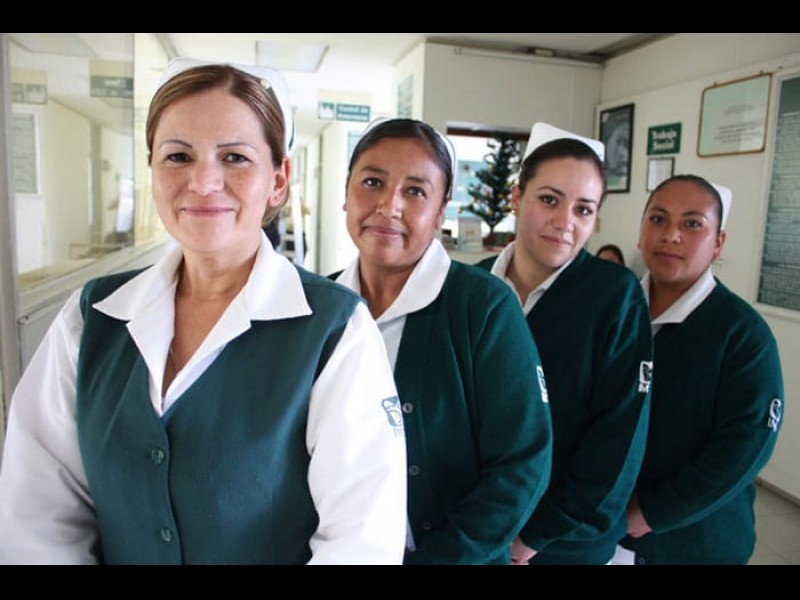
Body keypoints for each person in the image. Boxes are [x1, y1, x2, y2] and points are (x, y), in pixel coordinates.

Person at [0, 58, 408, 565]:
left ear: (278, 180)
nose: (203, 181)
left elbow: (361, 542)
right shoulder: (91, 319)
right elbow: (36, 516)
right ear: (153, 170)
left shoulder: (335, 331)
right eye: (178, 156)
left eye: (234, 157)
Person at [332, 118, 553, 565]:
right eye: (372, 182)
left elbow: (522, 463)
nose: (389, 206)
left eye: (415, 191)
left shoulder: (483, 306)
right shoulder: (322, 306)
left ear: (440, 210)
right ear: (346, 192)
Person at [476, 122, 653, 565]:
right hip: (473, 525)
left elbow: (617, 436)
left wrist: (536, 535)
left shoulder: (614, 296)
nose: (564, 222)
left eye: (583, 209)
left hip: (562, 541)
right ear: (517, 197)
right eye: (549, 200)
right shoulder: (473, 287)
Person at [619, 175, 784, 565]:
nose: (670, 235)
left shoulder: (741, 334)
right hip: (602, 533)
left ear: (718, 243)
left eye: (692, 224)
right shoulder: (614, 310)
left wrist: (651, 512)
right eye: (658, 219)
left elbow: (742, 447)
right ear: (641, 232)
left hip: (692, 543)